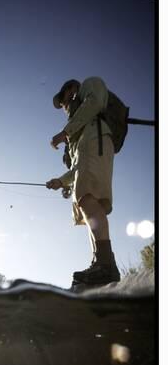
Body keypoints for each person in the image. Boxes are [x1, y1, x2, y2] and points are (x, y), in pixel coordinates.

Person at [45, 77, 120, 286]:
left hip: (96, 143)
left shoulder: (89, 84)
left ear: (71, 89)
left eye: (63, 99)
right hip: (90, 149)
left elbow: (95, 103)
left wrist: (65, 133)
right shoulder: (78, 130)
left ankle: (105, 265)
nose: (64, 106)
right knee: (88, 206)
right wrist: (60, 181)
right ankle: (100, 262)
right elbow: (77, 167)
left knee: (85, 197)